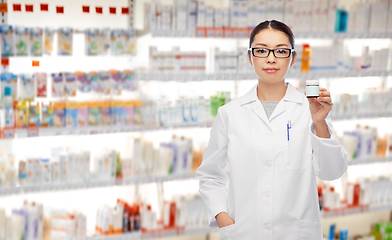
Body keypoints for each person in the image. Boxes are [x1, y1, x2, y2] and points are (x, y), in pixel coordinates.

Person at [195, 20, 348, 240]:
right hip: (246, 231)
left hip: (296, 233)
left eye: (281, 51)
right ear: (250, 57)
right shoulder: (230, 113)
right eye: (261, 50)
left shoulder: (310, 109)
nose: (271, 58)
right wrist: (222, 216)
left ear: (293, 58)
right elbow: (209, 174)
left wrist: (320, 123)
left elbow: (332, 171)